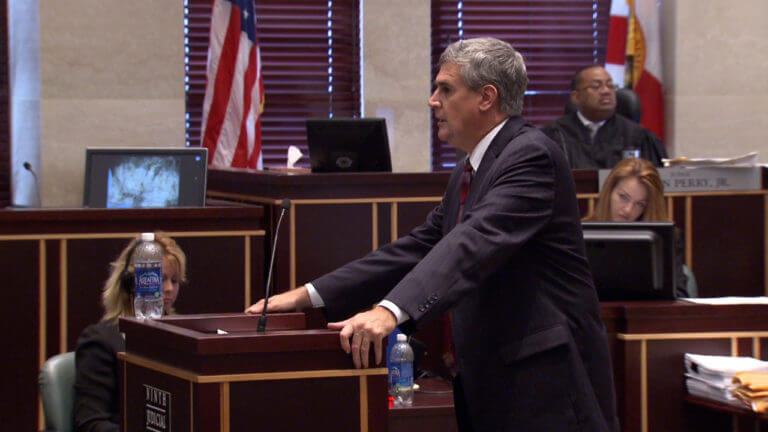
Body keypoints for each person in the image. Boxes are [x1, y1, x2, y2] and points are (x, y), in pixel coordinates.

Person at [246, 37, 619, 431]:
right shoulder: (470, 168)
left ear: (486, 97)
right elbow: (418, 247)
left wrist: (389, 311)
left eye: (445, 89)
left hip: (546, 386)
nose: (432, 101)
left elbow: (471, 242)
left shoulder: (531, 156)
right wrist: (308, 295)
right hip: (494, 381)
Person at [73, 233, 186, 432]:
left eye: (175, 281)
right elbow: (90, 423)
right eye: (160, 278)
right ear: (131, 283)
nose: (169, 288)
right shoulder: (100, 342)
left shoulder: (181, 338)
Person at [587, 157, 697, 297]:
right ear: (609, 192)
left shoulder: (666, 238)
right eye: (623, 197)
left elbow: (679, 294)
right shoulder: (578, 233)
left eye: (639, 204)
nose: (628, 210)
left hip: (647, 317)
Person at [541, 65, 667, 169]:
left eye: (610, 86)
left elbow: (654, 182)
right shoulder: (555, 135)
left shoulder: (637, 136)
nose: (606, 91)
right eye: (596, 87)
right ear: (576, 97)